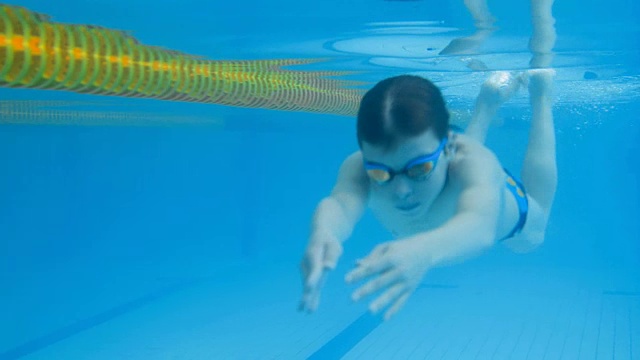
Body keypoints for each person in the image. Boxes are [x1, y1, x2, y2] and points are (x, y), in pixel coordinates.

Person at [299, 0, 558, 321]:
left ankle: (540, 93)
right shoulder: (361, 165)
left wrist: (424, 249)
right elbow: (339, 205)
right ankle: (487, 102)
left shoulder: (474, 162)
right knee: (446, 177)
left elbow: (479, 226)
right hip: (451, 173)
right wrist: (324, 233)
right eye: (381, 174)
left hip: (501, 205)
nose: (401, 191)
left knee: (535, 229)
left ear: (449, 145)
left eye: (417, 170)